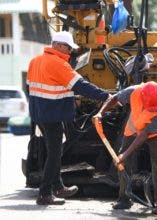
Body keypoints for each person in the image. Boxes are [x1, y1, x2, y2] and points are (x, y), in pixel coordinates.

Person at [27, 31, 111, 205]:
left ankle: (58, 186)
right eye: (68, 47)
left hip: (39, 113)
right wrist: (106, 96)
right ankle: (45, 193)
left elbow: (39, 87)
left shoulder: (35, 61)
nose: (70, 52)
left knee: (54, 151)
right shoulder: (59, 64)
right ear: (57, 45)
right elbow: (81, 85)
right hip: (53, 114)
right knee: (55, 154)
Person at [95, 81, 157, 215]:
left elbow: (145, 134)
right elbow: (114, 98)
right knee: (123, 161)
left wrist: (124, 154)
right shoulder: (133, 91)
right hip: (134, 128)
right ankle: (124, 199)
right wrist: (100, 113)